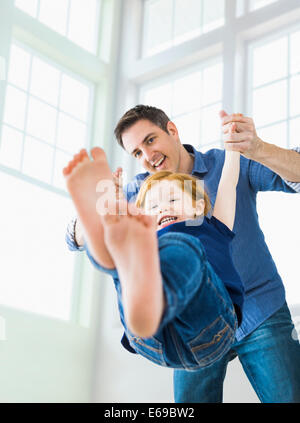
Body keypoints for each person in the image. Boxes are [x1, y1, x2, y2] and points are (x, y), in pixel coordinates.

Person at [66, 105, 300, 402]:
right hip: (164, 331)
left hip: (246, 309)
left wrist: (250, 148)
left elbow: (236, 178)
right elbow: (73, 239)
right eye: (136, 152)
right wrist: (99, 209)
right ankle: (130, 287)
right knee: (126, 257)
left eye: (150, 140)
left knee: (184, 251)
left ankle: (135, 281)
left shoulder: (210, 215)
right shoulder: (138, 194)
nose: (146, 156)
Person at [63, 142, 244, 369]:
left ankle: (122, 261)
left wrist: (233, 149)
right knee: (130, 253)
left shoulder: (213, 228)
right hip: (151, 338)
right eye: (153, 206)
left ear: (198, 207)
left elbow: (229, 184)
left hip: (210, 328)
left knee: (182, 248)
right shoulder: (146, 240)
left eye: (173, 200)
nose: (162, 208)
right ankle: (109, 236)